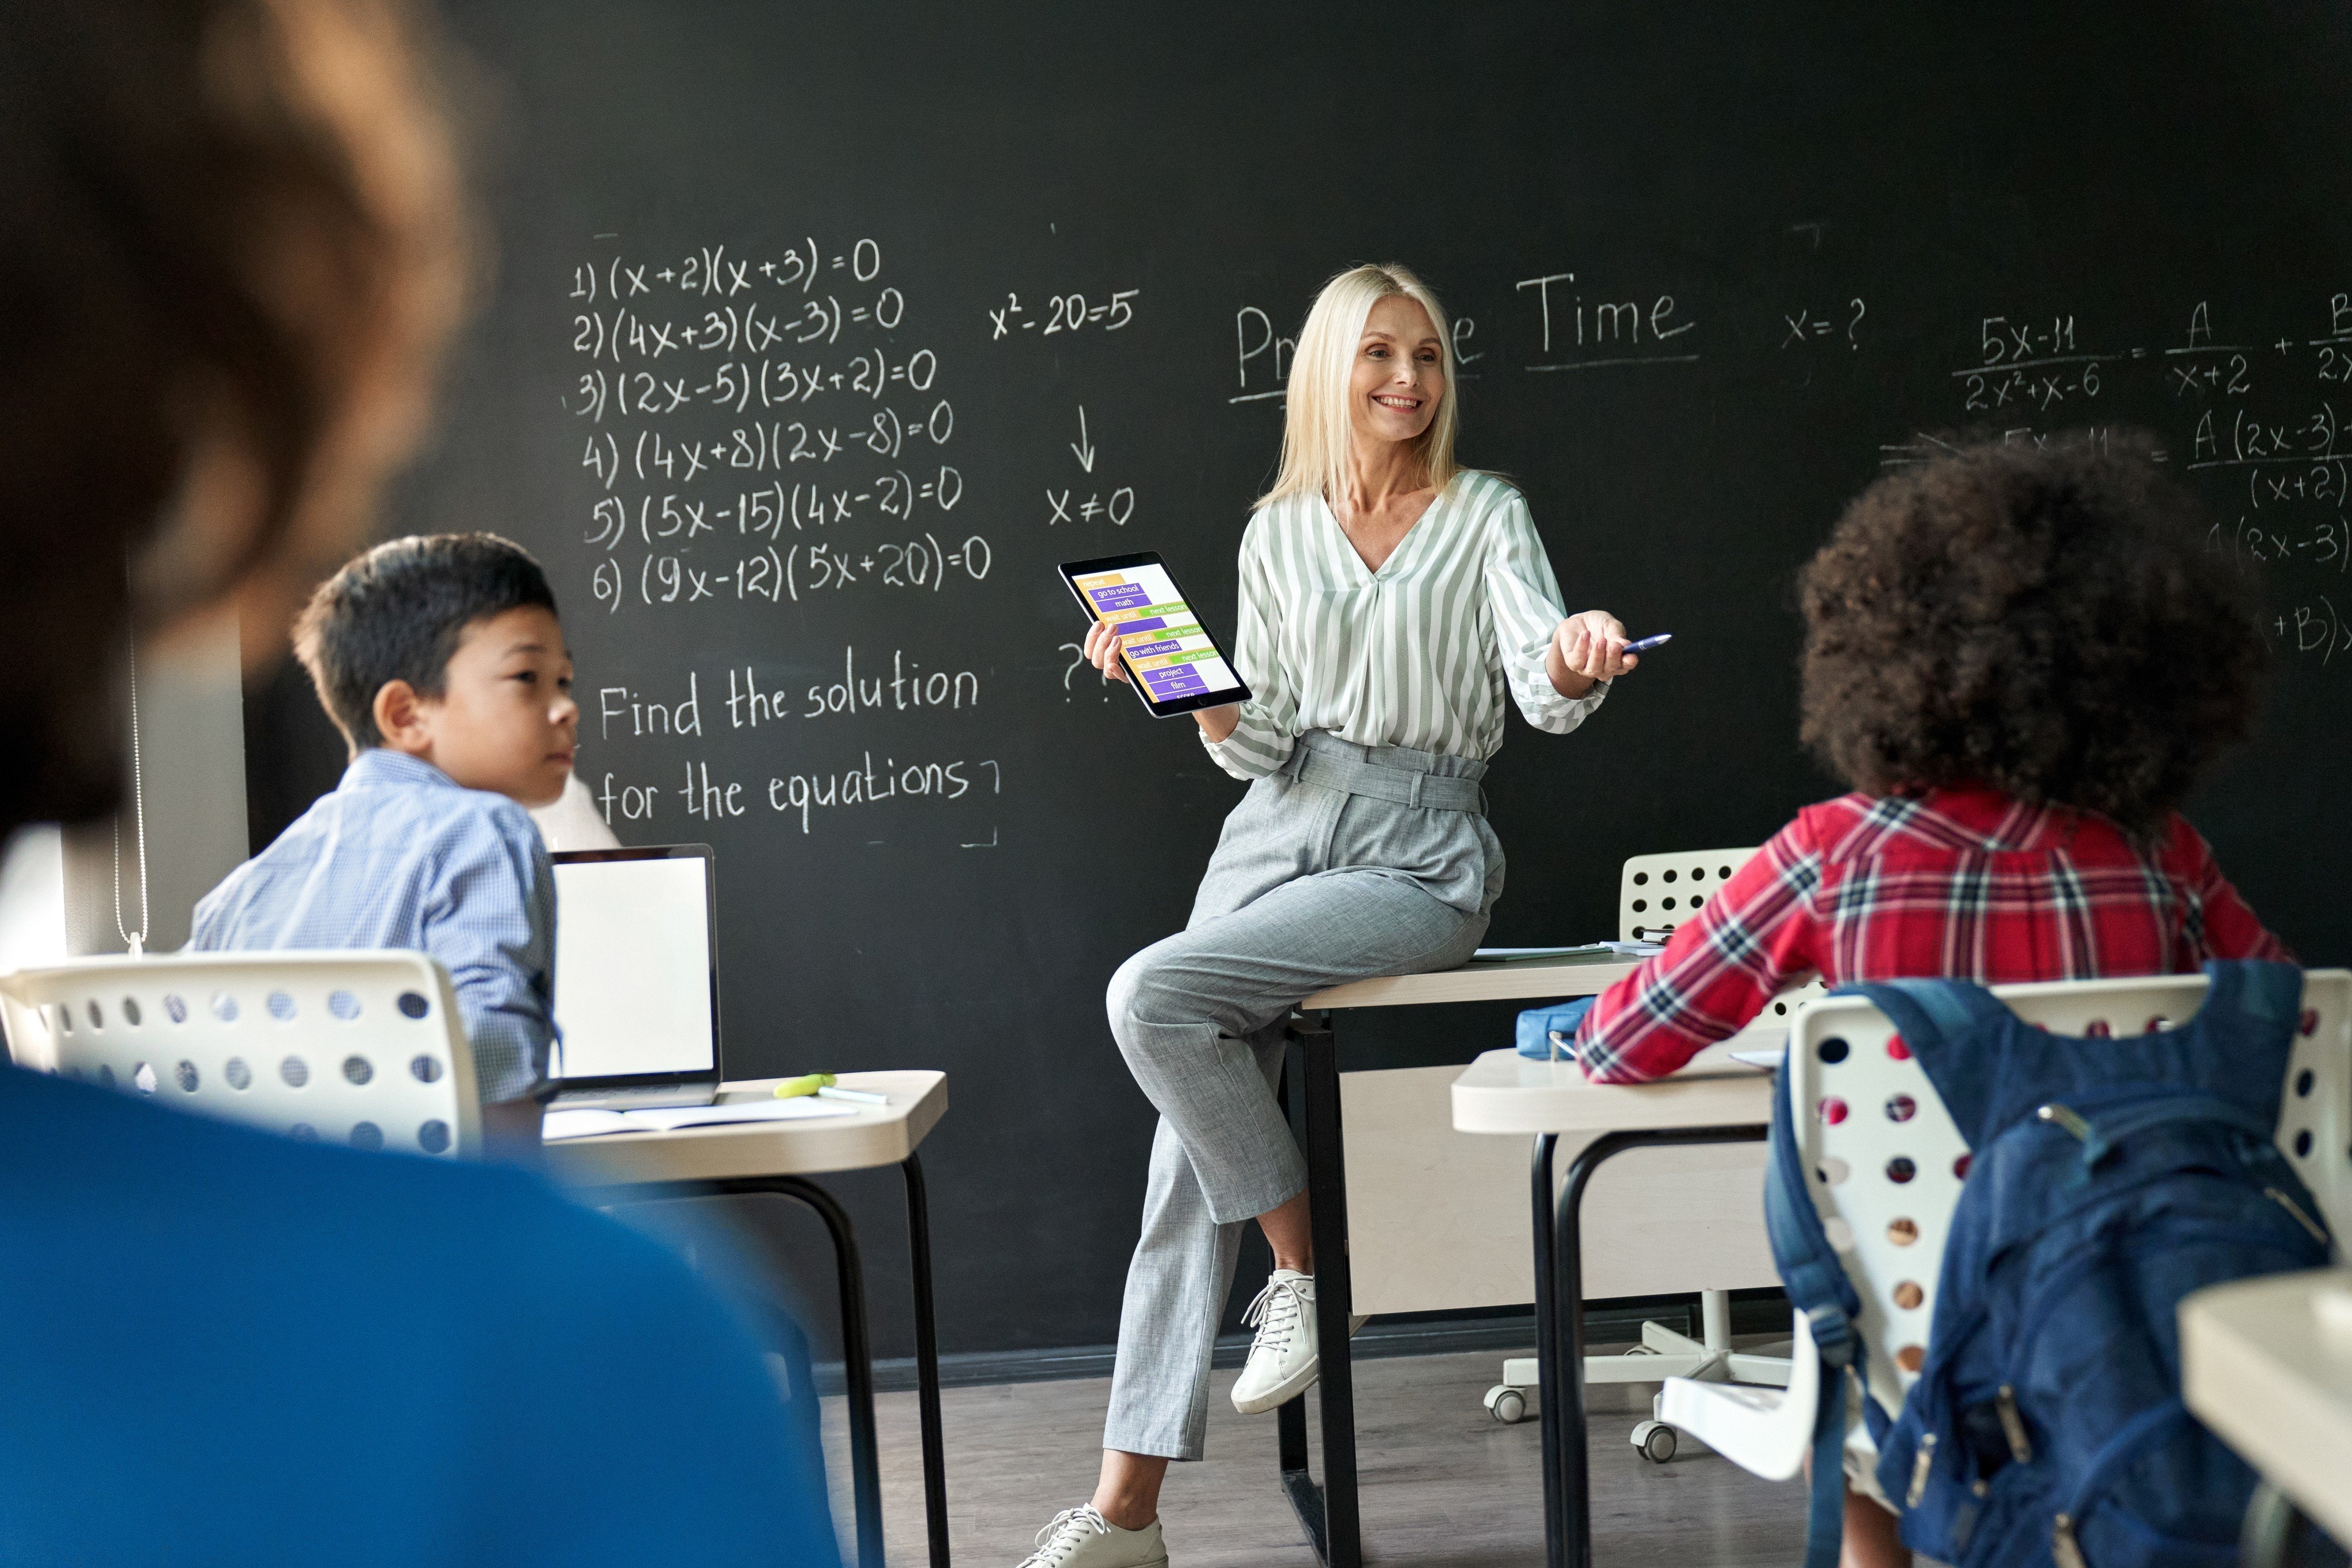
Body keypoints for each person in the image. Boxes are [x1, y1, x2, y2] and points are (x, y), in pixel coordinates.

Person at [0, 1, 837, 1561]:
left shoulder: (262, 872)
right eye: (531, 682)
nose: (565, 714)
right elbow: (499, 1069)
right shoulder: (567, 1351)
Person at [1023, 263, 1646, 1568]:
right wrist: (1189, 694)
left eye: (1425, 356)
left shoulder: (1486, 514)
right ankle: (1128, 1513)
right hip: (1273, 831)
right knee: (1179, 1160)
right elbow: (1266, 743)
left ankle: (1301, 1275)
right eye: (1378, 355)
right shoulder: (1277, 533)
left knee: (1152, 997)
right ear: (1327, 371)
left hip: (1418, 852)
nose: (1408, 382)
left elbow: (1539, 680)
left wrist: (1578, 652)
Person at [1574, 433, 2287, 1568]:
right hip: (2133, 1329)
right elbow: (2288, 1030)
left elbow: (1618, 1044)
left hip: (1920, 1359)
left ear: (1882, 652)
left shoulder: (1830, 853)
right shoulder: (2162, 858)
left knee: (1864, 1381)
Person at [191, 533, 578, 1146]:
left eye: (565, 682)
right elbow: (494, 1057)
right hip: (426, 1220)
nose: (563, 709)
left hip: (267, 1219)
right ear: (405, 715)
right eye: (527, 678)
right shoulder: (485, 828)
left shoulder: (238, 893)